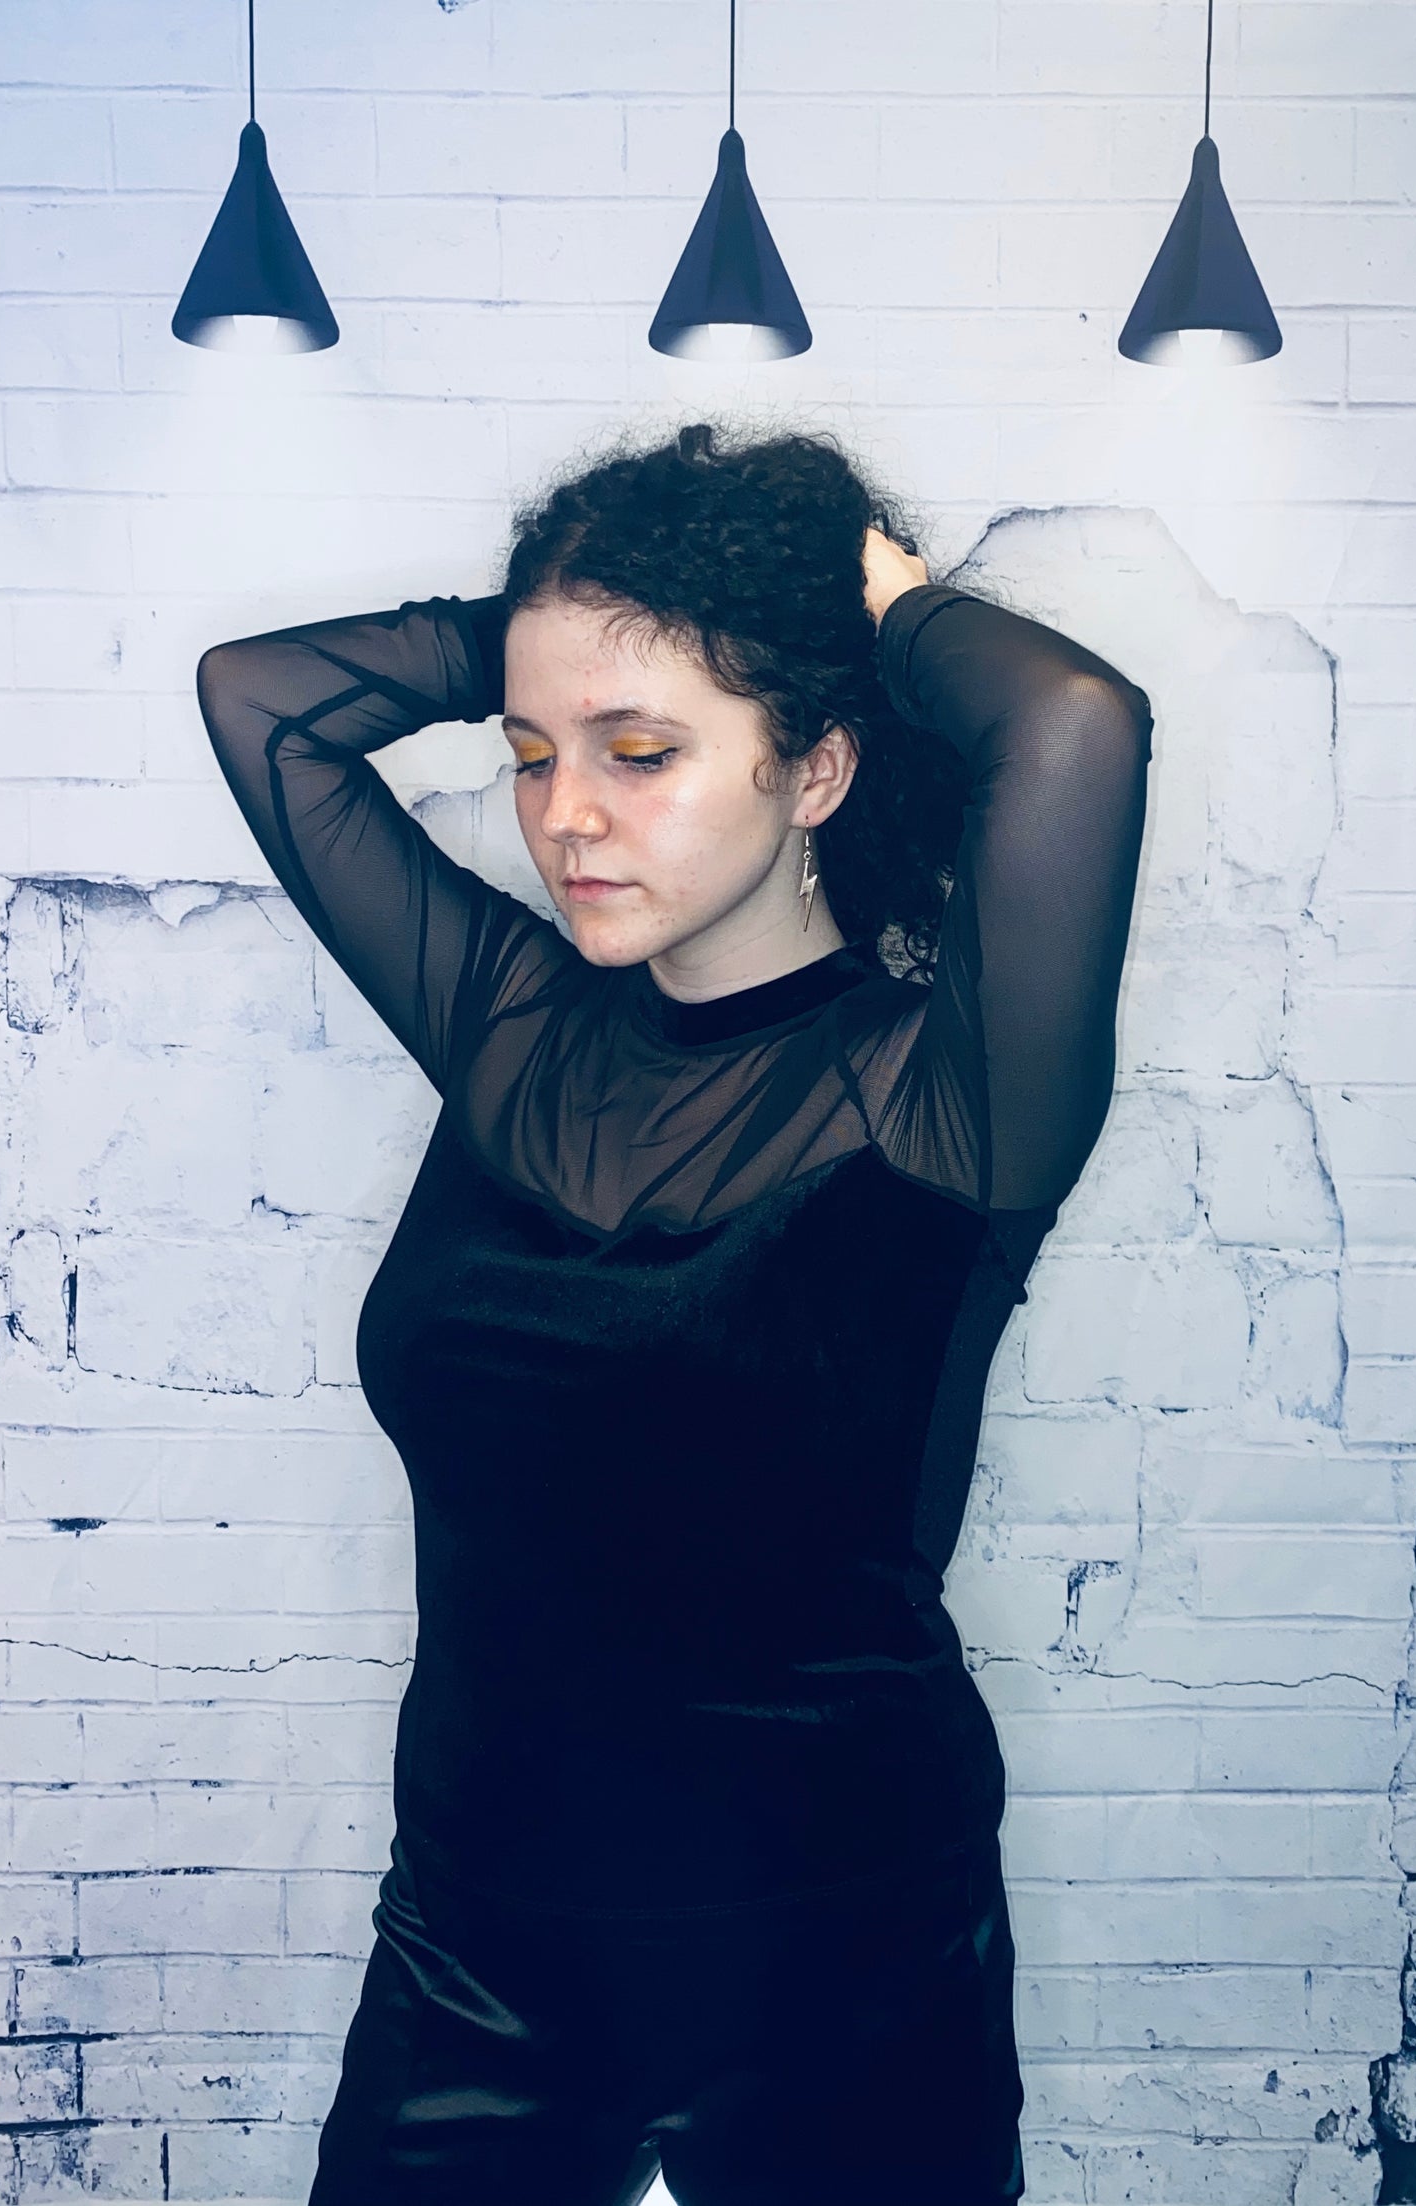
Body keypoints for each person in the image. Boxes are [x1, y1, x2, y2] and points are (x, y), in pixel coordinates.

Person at [195, 421, 1153, 2206]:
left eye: (639, 752)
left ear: (816, 768)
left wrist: (874, 603)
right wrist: (547, 635)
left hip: (836, 1960)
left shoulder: (948, 1100)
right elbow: (259, 700)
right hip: (476, 1943)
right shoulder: (506, 1025)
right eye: (531, 752)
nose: (564, 812)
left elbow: (1075, 722)